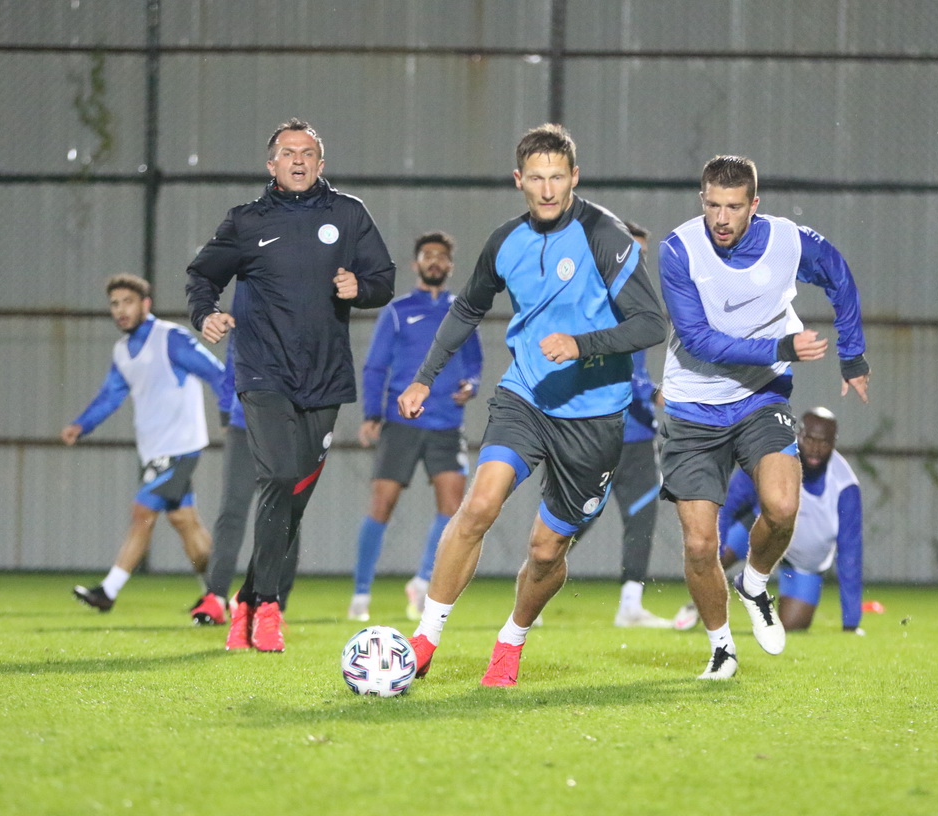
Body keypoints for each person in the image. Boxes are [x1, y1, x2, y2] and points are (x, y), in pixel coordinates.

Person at [397, 123, 667, 687]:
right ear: (519, 180)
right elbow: (466, 310)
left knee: (545, 552)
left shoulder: (605, 235)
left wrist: (582, 345)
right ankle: (425, 639)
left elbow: (650, 324)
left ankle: (511, 640)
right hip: (526, 396)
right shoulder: (505, 242)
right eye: (536, 179)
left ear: (574, 178)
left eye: (558, 178)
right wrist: (425, 378)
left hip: (595, 416)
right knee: (478, 506)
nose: (547, 190)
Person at [186, 118, 395, 653]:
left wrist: (361, 287)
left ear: (320, 164)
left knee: (293, 496)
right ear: (271, 164)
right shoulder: (246, 222)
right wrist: (205, 313)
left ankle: (247, 602)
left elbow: (383, 279)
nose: (298, 160)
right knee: (278, 475)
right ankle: (270, 607)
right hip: (262, 373)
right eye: (287, 152)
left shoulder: (348, 215)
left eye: (307, 153)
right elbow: (203, 275)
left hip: (324, 378)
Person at [658, 155, 870, 679]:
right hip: (693, 404)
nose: (722, 219)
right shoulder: (678, 251)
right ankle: (722, 645)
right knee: (701, 543)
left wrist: (853, 355)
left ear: (755, 205)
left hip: (760, 395)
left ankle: (754, 581)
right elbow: (699, 341)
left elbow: (838, 274)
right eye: (713, 206)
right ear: (701, 201)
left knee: (781, 506)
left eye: (734, 207)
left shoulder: (787, 241)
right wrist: (781, 344)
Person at [63, 274, 226, 613]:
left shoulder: (170, 338)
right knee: (185, 522)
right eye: (114, 304)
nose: (120, 310)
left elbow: (216, 372)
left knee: (142, 512)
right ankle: (219, 596)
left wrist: (231, 415)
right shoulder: (122, 351)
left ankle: (108, 591)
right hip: (154, 450)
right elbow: (110, 395)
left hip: (180, 447)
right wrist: (82, 425)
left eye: (128, 302)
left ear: (146, 304)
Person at [348, 231, 483, 623]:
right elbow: (375, 366)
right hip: (400, 421)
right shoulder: (397, 310)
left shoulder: (463, 311)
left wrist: (471, 386)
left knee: (453, 506)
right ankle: (360, 593)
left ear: (450, 266)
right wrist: (372, 415)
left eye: (442, 256)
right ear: (416, 263)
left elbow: (474, 363)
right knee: (381, 505)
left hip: (447, 423)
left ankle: (422, 581)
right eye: (428, 255)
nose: (435, 262)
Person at [673, 407, 864, 634]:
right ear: (798, 434)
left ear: (834, 442)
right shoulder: (775, 456)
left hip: (804, 561)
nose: (815, 447)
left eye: (823, 442)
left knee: (792, 626)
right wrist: (716, 549)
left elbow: (850, 553)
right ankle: (701, 604)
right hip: (763, 530)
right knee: (717, 553)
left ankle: (754, 591)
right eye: (809, 439)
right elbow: (730, 501)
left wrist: (851, 623)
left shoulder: (845, 485)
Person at [572, 221, 674, 628]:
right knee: (577, 518)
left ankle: (630, 605)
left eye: (643, 253)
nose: (638, 259)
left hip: (637, 436)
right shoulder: (594, 301)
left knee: (643, 516)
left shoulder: (639, 302)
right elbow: (609, 367)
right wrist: (652, 393)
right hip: (597, 431)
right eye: (631, 250)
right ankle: (533, 580)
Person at [187, 333, 299, 625]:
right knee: (232, 512)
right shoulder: (247, 308)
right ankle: (215, 597)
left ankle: (273, 605)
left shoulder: (301, 308)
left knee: (285, 514)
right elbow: (231, 365)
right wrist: (226, 413)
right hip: (243, 422)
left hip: (287, 423)